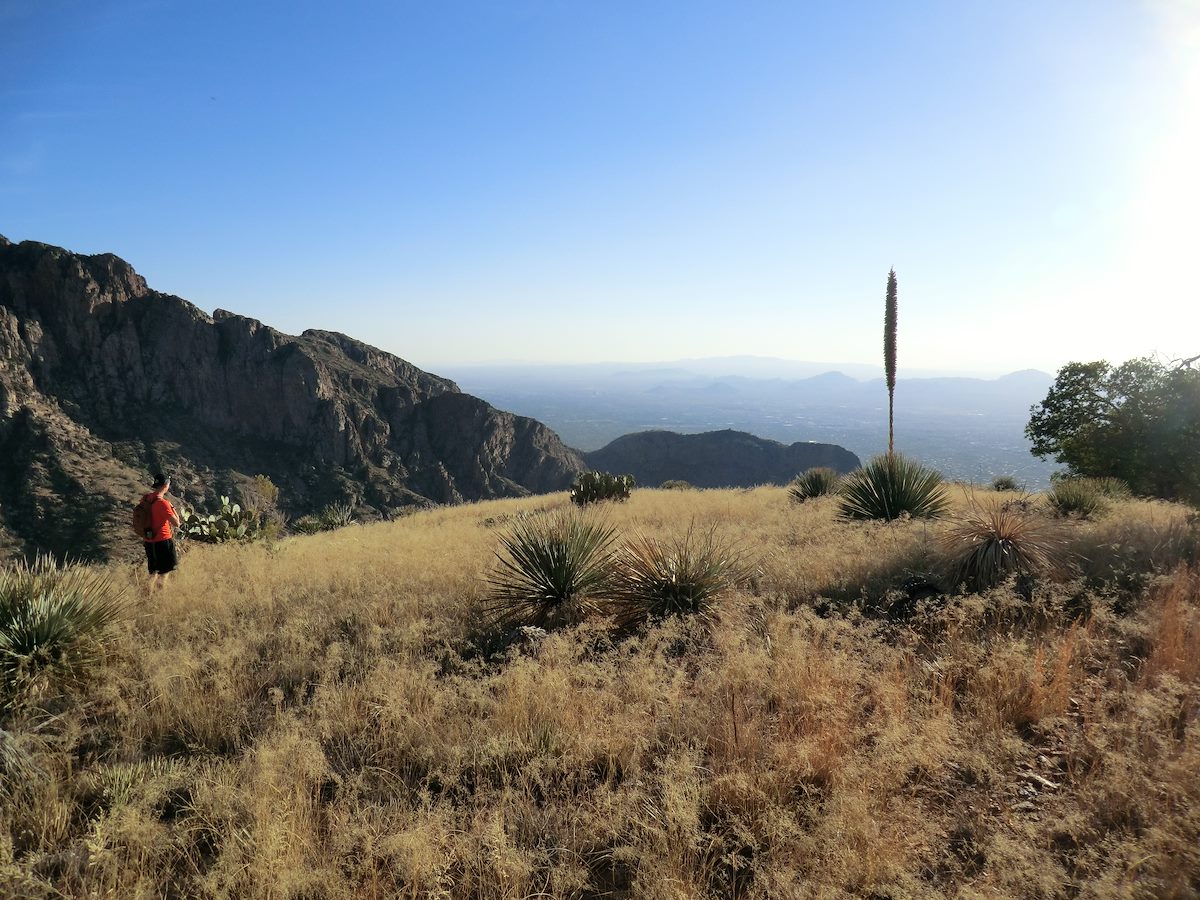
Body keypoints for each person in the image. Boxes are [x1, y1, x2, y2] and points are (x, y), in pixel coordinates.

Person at [139, 473, 181, 589]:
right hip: (163, 541)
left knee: (152, 573)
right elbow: (176, 523)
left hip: (149, 540)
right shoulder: (163, 503)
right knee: (164, 573)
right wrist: (173, 508)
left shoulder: (146, 499)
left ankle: (146, 597)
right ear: (166, 485)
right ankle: (159, 598)